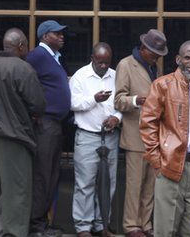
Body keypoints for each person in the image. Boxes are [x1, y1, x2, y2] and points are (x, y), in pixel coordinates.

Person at [140, 40, 190, 237]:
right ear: (178, 59)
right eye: (188, 57)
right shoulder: (162, 85)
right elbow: (148, 124)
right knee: (166, 229)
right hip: (170, 165)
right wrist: (157, 162)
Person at [0, 47, 46, 237]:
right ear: (21, 46)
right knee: (16, 193)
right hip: (15, 137)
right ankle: (13, 234)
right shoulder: (23, 68)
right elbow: (38, 104)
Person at [114, 28, 167, 237]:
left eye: (159, 55)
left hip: (155, 136)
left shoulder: (155, 68)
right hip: (135, 136)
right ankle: (131, 226)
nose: (156, 57)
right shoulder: (126, 64)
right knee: (134, 185)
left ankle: (146, 224)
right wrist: (137, 100)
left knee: (150, 186)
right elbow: (118, 100)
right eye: (153, 53)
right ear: (143, 48)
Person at [70, 42, 122, 237]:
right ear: (92, 58)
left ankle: (102, 225)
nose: (103, 66)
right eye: (100, 62)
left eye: (106, 62)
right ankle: (83, 226)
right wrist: (94, 99)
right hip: (87, 136)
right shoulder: (80, 76)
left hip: (110, 136)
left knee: (109, 183)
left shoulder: (116, 75)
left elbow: (121, 103)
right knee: (85, 183)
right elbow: (72, 103)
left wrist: (117, 118)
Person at [26, 19, 73, 237]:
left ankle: (44, 221)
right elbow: (25, 84)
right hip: (44, 124)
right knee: (43, 175)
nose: (62, 37)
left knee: (52, 175)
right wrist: (34, 113)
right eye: (57, 33)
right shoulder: (37, 56)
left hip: (55, 125)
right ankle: (35, 225)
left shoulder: (54, 58)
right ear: (45, 36)